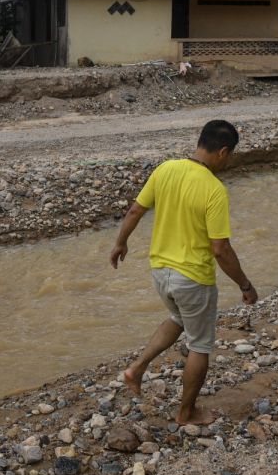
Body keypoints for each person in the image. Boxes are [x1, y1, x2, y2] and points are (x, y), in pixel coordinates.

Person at [108, 119, 257, 425]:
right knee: (199, 346)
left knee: (178, 318)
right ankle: (187, 412)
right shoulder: (214, 190)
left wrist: (120, 243)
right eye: (229, 157)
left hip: (160, 272)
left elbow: (136, 210)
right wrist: (244, 284)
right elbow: (221, 250)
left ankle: (135, 370)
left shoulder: (165, 170)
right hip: (192, 279)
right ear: (223, 151)